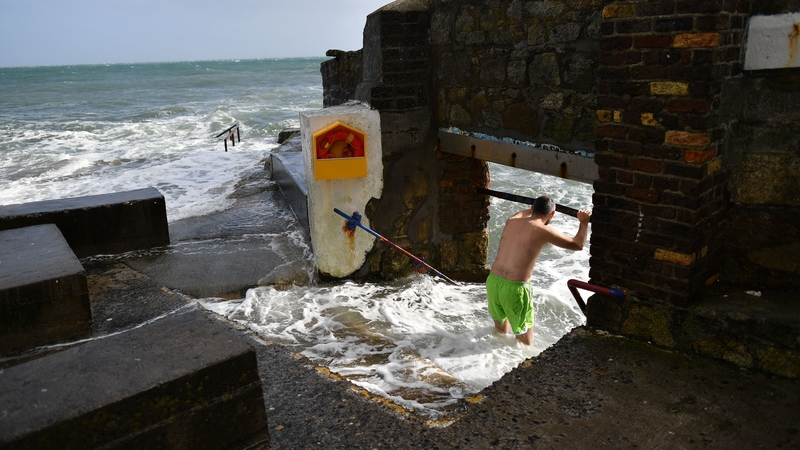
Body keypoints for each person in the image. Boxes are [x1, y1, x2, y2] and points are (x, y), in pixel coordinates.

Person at [487, 196, 591, 346]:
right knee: (524, 340)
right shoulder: (543, 230)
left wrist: (532, 208)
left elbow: (520, 214)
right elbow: (578, 244)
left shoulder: (512, 221)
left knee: (500, 333)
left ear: (532, 209)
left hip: (493, 282)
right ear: (552, 215)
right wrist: (583, 222)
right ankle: (519, 365)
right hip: (515, 288)